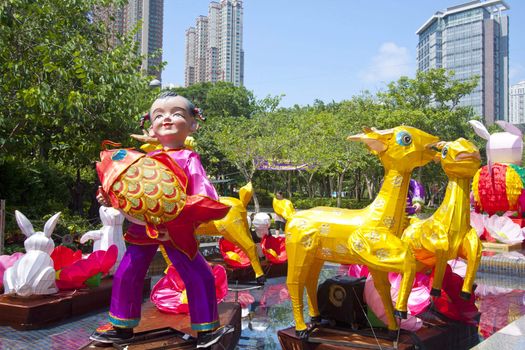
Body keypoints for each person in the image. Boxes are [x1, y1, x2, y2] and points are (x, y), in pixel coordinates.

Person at [90, 91, 233, 348]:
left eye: (176, 114)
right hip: (142, 226)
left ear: (193, 124)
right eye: (159, 115)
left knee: (197, 272)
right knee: (127, 272)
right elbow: (129, 189)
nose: (166, 119)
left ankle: (207, 328)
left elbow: (202, 194)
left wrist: (181, 221)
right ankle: (122, 326)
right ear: (151, 127)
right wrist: (109, 195)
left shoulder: (189, 159)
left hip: (176, 229)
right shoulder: (144, 160)